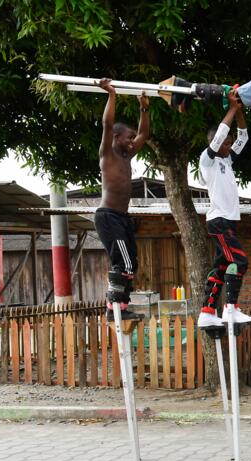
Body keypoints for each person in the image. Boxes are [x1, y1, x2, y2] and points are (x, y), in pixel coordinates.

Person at [196, 89, 251, 332]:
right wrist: (230, 108)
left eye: (230, 144)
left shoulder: (227, 160)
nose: (229, 146)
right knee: (239, 261)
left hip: (229, 221)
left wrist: (239, 110)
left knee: (221, 267)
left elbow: (243, 137)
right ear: (215, 144)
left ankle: (207, 312)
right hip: (218, 221)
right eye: (224, 143)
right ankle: (230, 307)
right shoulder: (207, 161)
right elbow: (220, 136)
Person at [93, 79, 150, 321]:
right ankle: (112, 310)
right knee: (124, 264)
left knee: (131, 264)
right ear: (116, 137)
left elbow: (145, 134)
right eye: (128, 137)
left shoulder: (126, 156)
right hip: (108, 216)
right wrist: (112, 95)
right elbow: (107, 124)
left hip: (122, 218)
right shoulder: (108, 153)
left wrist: (144, 107)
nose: (132, 141)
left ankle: (121, 308)